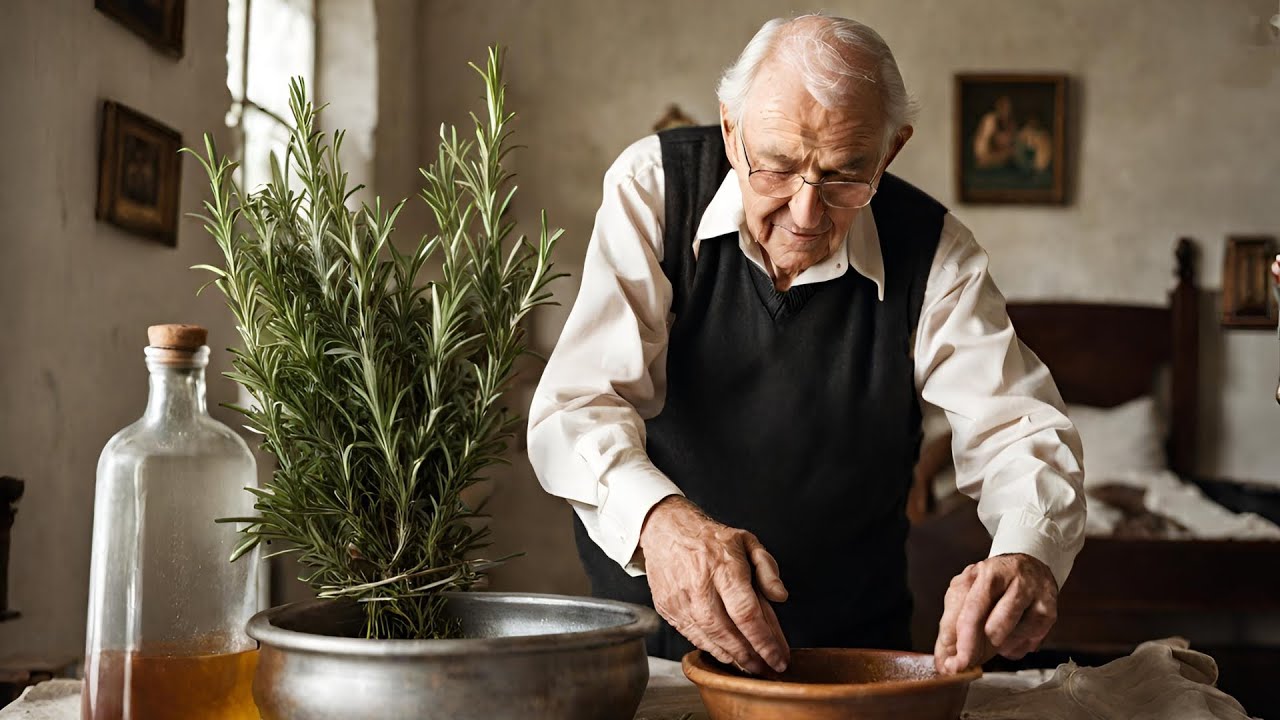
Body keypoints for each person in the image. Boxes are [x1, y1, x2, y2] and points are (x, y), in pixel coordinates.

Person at [527, 14, 1085, 677]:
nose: (806, 213)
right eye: (779, 167)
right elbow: (578, 407)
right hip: (654, 648)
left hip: (854, 660)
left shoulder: (937, 254)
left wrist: (1025, 555)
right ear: (732, 132)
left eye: (847, 175)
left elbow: (1017, 433)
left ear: (891, 151)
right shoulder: (653, 189)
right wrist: (659, 522)